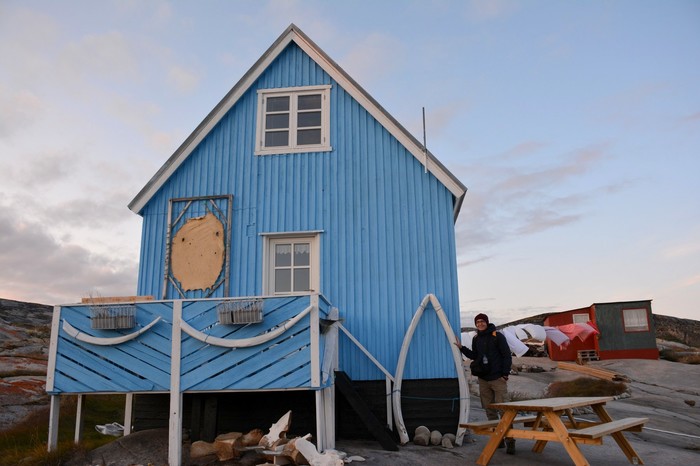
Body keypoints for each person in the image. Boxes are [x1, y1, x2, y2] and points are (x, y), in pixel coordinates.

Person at [454, 313, 515, 454]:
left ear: (487, 322)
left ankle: (510, 440)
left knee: (504, 410)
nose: (480, 324)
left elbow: (506, 355)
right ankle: (498, 439)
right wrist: (461, 348)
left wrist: (505, 374)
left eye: (482, 321)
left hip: (498, 379)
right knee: (489, 410)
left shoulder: (497, 336)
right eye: (477, 322)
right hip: (483, 380)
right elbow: (475, 356)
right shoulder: (476, 338)